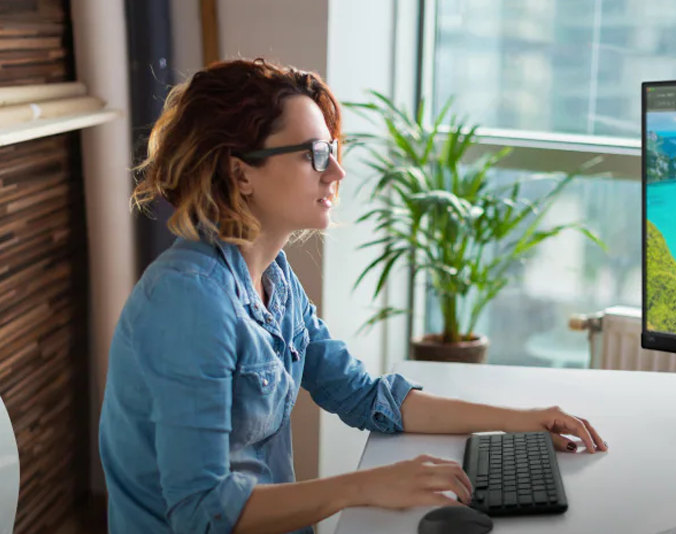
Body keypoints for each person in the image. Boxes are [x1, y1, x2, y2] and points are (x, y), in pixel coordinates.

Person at [98, 58, 608, 534]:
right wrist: (365, 486)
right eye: (315, 155)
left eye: (333, 152)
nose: (336, 173)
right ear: (240, 173)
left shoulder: (271, 275)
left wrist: (524, 422)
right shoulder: (189, 303)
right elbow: (201, 511)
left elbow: (366, 396)